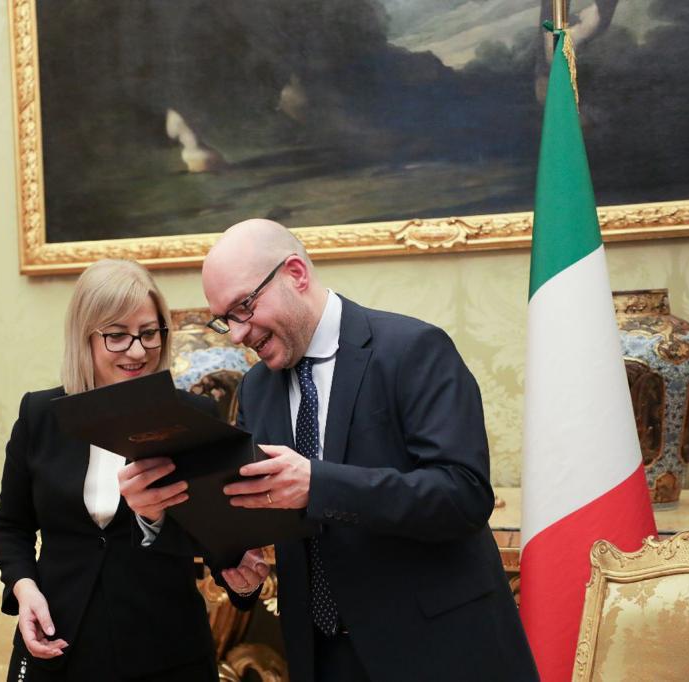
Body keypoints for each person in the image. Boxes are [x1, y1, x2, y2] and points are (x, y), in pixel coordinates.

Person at [200, 219, 538, 682]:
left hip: (437, 653)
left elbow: (463, 495)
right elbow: (251, 513)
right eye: (225, 319)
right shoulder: (256, 388)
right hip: (320, 658)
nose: (238, 334)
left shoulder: (412, 349)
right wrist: (239, 568)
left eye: (244, 307)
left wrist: (319, 484)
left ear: (296, 273)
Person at [0, 259, 265, 682]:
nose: (137, 351)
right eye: (117, 335)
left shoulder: (193, 416)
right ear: (84, 336)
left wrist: (243, 581)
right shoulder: (39, 414)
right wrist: (25, 590)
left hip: (166, 653)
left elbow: (218, 542)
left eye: (149, 333)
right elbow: (11, 527)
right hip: (59, 647)